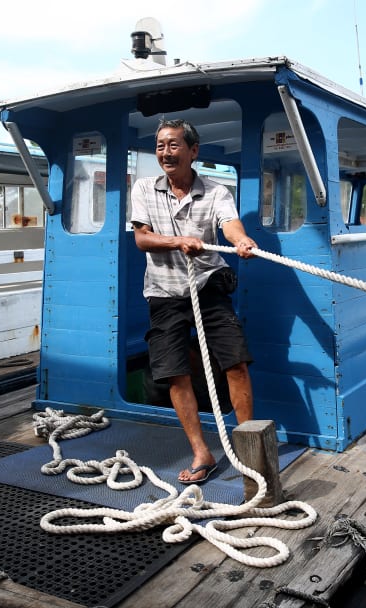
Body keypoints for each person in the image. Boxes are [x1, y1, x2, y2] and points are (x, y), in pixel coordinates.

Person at [130, 118, 258, 484]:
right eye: (160, 146)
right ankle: (202, 452)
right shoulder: (143, 188)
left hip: (206, 285)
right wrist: (178, 241)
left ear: (192, 151)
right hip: (164, 293)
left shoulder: (216, 191)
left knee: (235, 363)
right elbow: (142, 238)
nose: (165, 153)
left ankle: (249, 447)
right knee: (175, 372)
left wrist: (241, 241)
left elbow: (229, 224)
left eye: (173, 145)